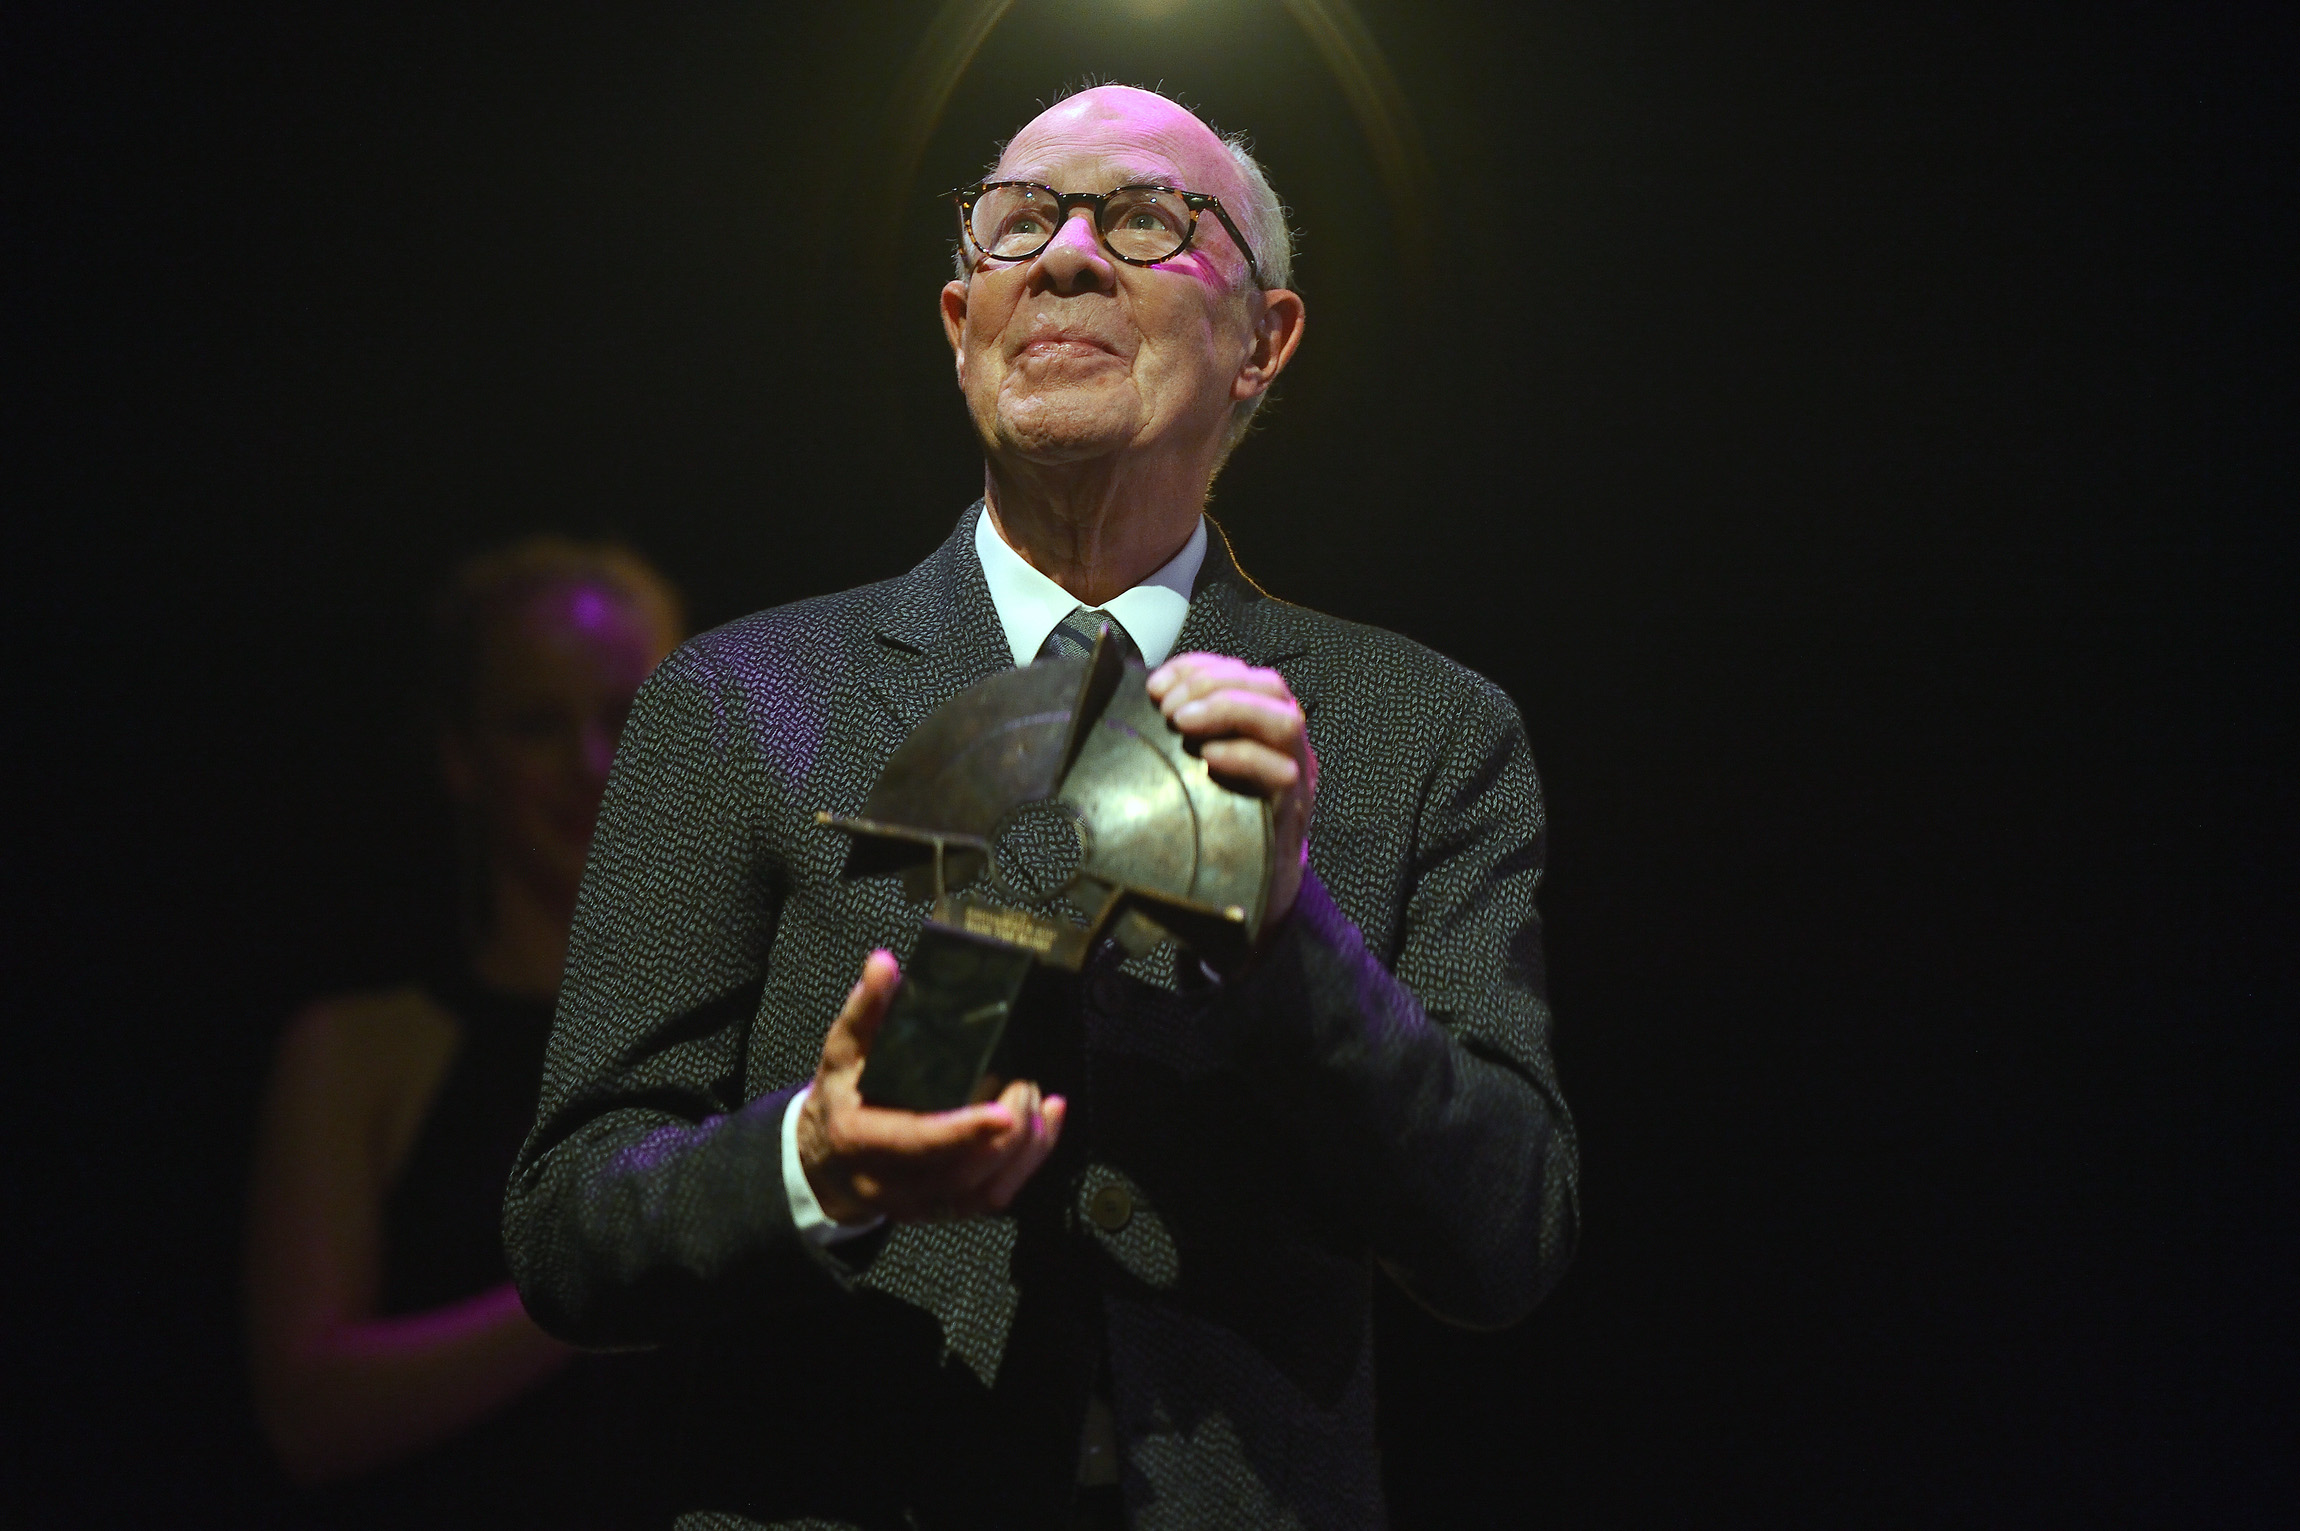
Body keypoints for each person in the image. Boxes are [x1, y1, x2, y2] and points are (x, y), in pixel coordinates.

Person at [505, 85, 1579, 1530]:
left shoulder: (1426, 729)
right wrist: (808, 1162)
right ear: (963, 323)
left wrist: (1287, 930)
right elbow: (569, 1226)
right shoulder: (738, 699)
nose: (1065, 257)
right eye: (1020, 222)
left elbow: (1505, 1235)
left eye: (1145, 219)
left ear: (1264, 340)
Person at [244, 538, 685, 1528]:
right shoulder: (358, 1054)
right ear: (460, 758)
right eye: (537, 724)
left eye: (623, 716)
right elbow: (306, 1415)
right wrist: (588, 1289)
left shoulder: (763, 1023)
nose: (589, 762)